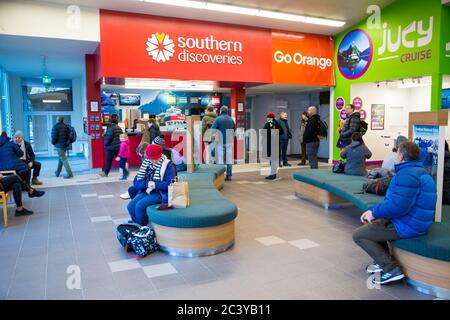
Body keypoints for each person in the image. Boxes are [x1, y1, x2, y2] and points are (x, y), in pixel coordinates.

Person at [353, 141, 437, 285]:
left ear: (401, 157)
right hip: (414, 221)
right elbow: (397, 203)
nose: (395, 155)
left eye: (397, 152)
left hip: (408, 224)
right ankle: (381, 262)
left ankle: (390, 268)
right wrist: (374, 211)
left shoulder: (407, 175)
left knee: (359, 235)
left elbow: (398, 206)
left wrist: (374, 213)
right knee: (376, 224)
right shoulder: (419, 171)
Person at [127, 144, 176, 225]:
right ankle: (137, 223)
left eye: (155, 159)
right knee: (131, 206)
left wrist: (154, 184)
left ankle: (142, 227)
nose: (153, 161)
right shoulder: (146, 163)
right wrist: (147, 184)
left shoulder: (168, 165)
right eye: (151, 159)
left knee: (139, 206)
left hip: (160, 193)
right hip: (146, 190)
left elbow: (170, 183)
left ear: (160, 155)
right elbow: (136, 181)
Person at [211, 106, 236, 181]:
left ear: (221, 111)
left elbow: (213, 130)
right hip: (229, 141)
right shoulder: (231, 119)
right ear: (227, 111)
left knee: (220, 160)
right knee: (229, 159)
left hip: (220, 142)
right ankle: (229, 175)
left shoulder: (218, 119)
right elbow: (234, 129)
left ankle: (221, 176)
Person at [263, 112, 281, 180]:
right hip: (276, 143)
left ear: (270, 118)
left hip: (270, 143)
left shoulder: (268, 124)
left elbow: (263, 132)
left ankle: (272, 175)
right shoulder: (277, 123)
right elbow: (281, 132)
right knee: (275, 159)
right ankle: (274, 173)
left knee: (272, 159)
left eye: (267, 117)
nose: (267, 118)